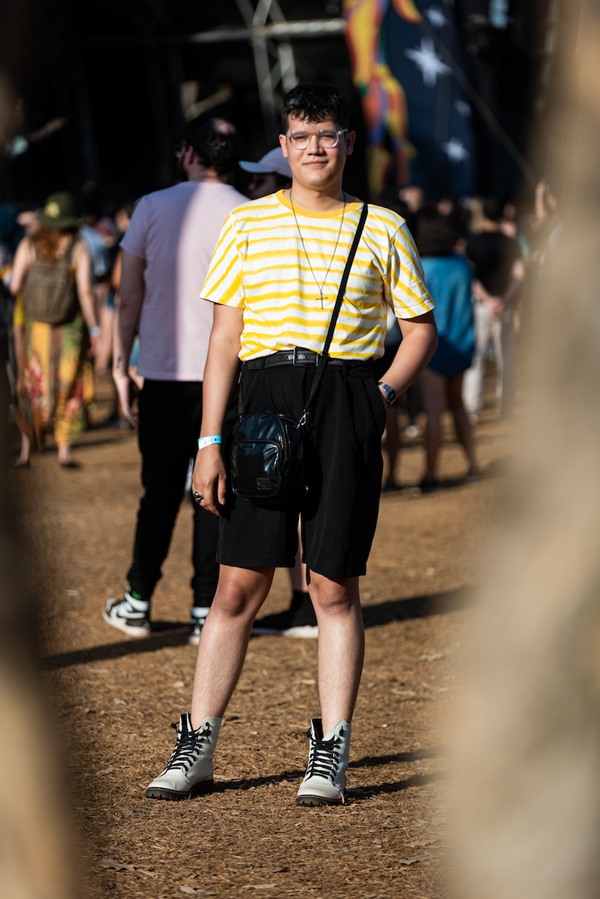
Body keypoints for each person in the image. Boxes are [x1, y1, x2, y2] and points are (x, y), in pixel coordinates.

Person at [144, 82, 437, 806]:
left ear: (347, 145)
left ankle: (330, 751)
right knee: (238, 582)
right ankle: (198, 742)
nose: (313, 148)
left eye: (328, 135)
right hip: (264, 401)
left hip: (347, 398)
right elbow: (225, 338)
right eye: (301, 136)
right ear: (282, 145)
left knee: (332, 583)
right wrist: (209, 440)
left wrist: (379, 398)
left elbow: (420, 328)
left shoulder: (384, 226)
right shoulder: (246, 224)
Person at [103, 115, 247, 645]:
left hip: (164, 371)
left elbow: (129, 296)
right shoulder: (250, 212)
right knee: (216, 493)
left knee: (159, 492)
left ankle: (138, 602)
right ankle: (203, 610)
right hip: (229, 374)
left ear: (187, 152)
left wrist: (121, 364)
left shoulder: (150, 206)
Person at [9, 191, 100, 468]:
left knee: (33, 385)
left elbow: (14, 286)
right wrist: (95, 328)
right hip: (69, 329)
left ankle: (26, 451)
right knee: (68, 387)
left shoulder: (30, 243)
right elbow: (85, 291)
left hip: (37, 329)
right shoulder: (78, 246)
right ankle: (64, 452)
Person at [413, 204, 479, 493]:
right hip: (463, 343)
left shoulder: (423, 267)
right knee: (458, 405)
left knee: (433, 411)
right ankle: (474, 465)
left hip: (433, 347)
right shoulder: (462, 264)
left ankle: (431, 475)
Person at [462, 196, 525, 422]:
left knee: (476, 357)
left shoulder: (472, 242)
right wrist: (503, 300)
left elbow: (469, 277)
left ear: (482, 215)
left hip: (481, 306)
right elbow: (519, 276)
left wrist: (488, 299)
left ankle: (472, 407)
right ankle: (506, 407)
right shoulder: (511, 242)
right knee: (505, 357)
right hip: (505, 306)